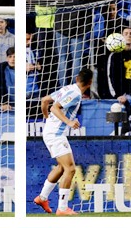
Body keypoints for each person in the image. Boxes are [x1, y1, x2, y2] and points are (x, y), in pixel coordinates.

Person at [33, 67, 93, 216]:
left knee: (61, 167)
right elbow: (54, 107)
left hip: (52, 132)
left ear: (77, 79)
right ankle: (62, 208)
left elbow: (45, 100)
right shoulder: (76, 94)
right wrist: (69, 122)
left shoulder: (68, 88)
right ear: (90, 83)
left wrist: (46, 118)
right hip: (55, 134)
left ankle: (42, 198)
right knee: (70, 169)